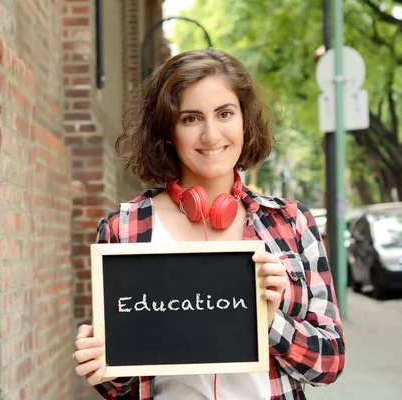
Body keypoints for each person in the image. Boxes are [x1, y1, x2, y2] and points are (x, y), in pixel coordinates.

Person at [73, 49, 346, 400]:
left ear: (244, 121)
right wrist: (100, 367)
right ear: (167, 131)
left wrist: (270, 321)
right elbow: (119, 386)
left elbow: (330, 364)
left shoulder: (292, 222)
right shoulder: (124, 229)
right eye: (190, 118)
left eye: (225, 113)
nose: (211, 134)